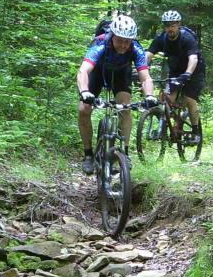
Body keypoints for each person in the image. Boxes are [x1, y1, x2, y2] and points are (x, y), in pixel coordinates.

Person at [77, 14, 157, 175]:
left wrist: (149, 95)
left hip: (121, 74)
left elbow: (145, 77)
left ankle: (125, 153)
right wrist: (84, 91)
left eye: (127, 41)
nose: (123, 45)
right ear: (112, 35)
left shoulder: (135, 49)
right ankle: (88, 155)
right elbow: (83, 70)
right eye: (119, 40)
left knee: (125, 107)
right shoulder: (100, 43)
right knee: (83, 109)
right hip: (98, 73)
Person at [144, 10, 205, 142]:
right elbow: (149, 54)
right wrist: (142, 68)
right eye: (167, 25)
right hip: (176, 70)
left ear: (178, 25)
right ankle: (166, 128)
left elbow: (193, 58)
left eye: (172, 25)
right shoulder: (162, 39)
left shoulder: (187, 38)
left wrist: (187, 74)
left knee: (189, 99)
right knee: (168, 99)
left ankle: (196, 132)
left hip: (194, 70)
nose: (170, 28)